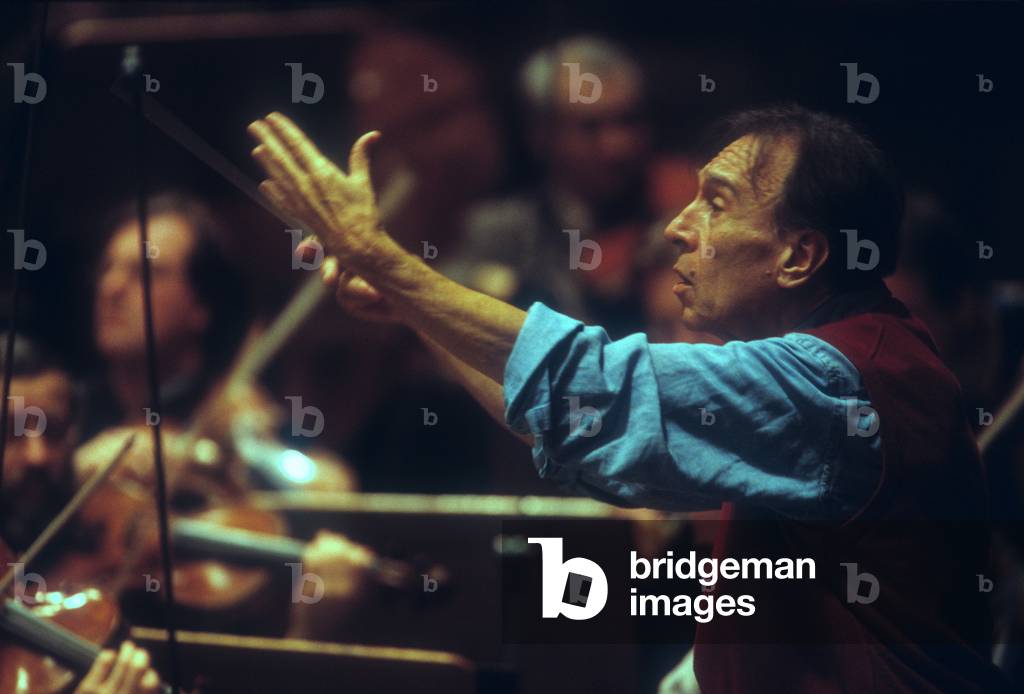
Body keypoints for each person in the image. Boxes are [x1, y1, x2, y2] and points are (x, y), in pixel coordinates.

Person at [247, 102, 1009, 692]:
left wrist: (383, 257)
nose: (679, 226)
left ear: (798, 254)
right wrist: (411, 305)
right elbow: (577, 420)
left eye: (715, 202)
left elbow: (597, 389)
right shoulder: (825, 363)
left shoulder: (836, 380)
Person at [76, 191, 355, 493]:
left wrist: (246, 451)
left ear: (202, 304)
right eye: (107, 268)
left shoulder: (232, 410)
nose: (111, 287)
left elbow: (335, 486)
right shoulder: (70, 409)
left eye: (145, 273)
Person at [445, 35, 656, 338]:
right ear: (541, 134)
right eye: (590, 127)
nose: (618, 146)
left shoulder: (675, 210)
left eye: (628, 121)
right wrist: (512, 286)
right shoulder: (502, 227)